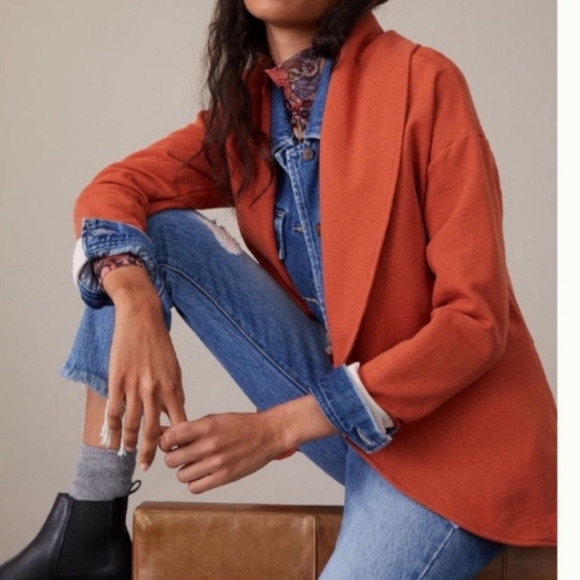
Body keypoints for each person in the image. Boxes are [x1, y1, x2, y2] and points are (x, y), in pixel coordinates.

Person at [0, 0, 556, 579]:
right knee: (145, 237)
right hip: (359, 428)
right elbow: (114, 189)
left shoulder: (423, 81)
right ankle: (91, 526)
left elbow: (474, 325)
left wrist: (274, 430)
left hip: (461, 450)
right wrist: (135, 301)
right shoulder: (253, 114)